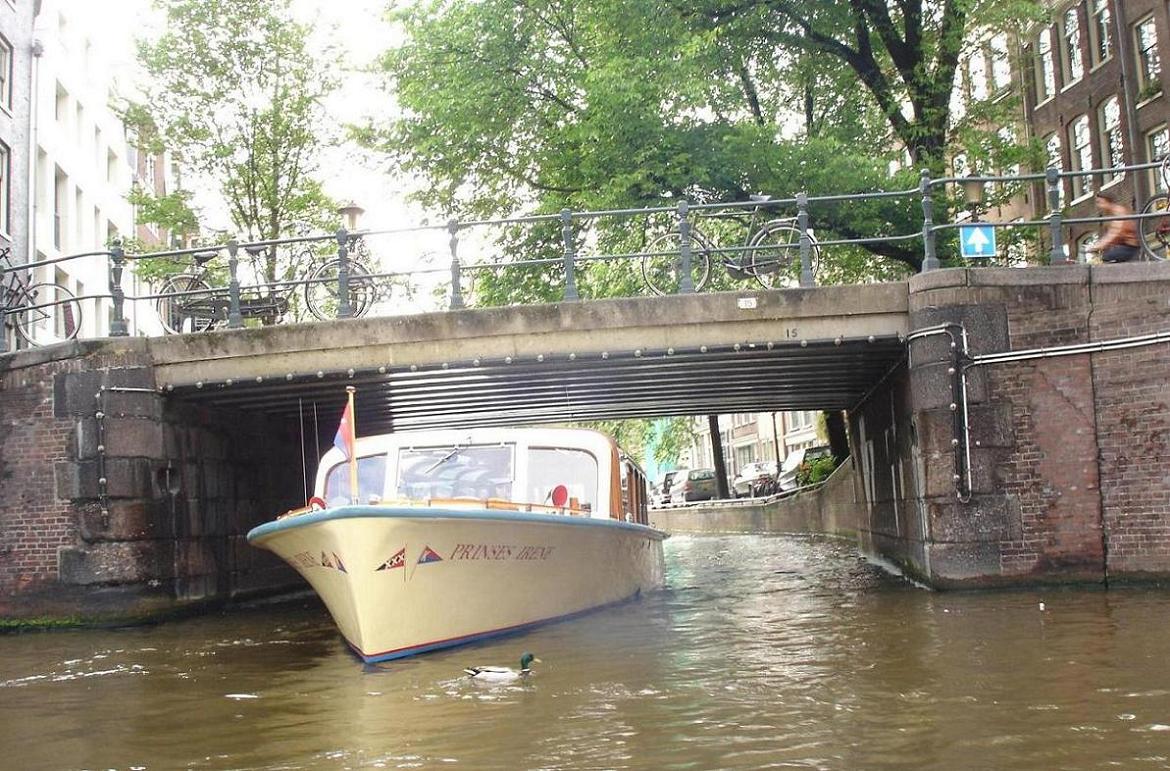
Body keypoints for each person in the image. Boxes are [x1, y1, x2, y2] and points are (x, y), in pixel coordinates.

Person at [1085, 193, 1141, 263]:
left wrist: (1097, 246)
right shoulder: (1113, 214)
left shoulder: (1119, 212)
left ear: (1107, 201)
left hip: (1129, 248)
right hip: (1124, 247)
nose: (1099, 206)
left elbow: (1114, 233)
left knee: (1105, 257)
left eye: (1100, 202)